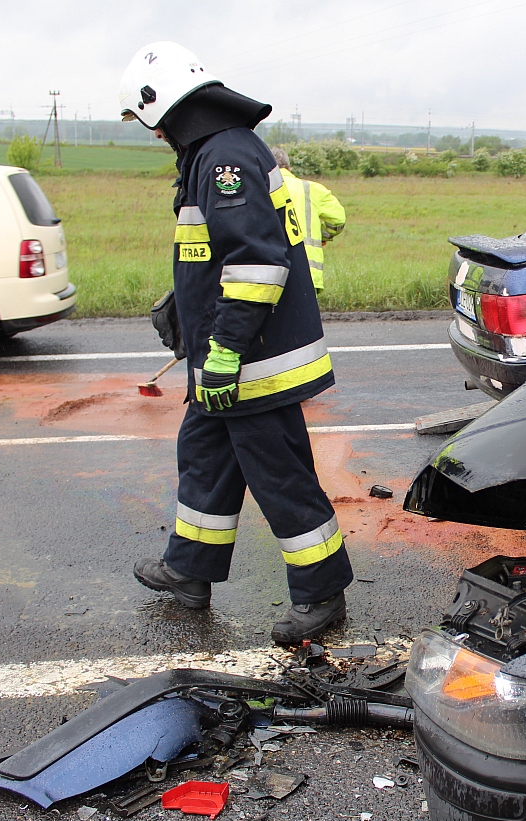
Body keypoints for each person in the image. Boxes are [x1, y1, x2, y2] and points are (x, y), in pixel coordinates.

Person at [118, 41, 352, 643]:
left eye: (148, 123)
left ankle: (322, 592)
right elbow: (215, 254)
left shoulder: (226, 157)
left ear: (163, 108)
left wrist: (225, 350)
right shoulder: (212, 152)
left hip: (253, 361)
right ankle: (189, 571)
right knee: (205, 456)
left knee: (280, 474)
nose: (153, 136)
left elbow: (257, 260)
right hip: (222, 357)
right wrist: (188, 314)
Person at [267, 147, 346, 293]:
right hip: (308, 271)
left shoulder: (261, 188)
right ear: (289, 168)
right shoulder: (312, 189)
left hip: (269, 272)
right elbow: (338, 220)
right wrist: (323, 236)